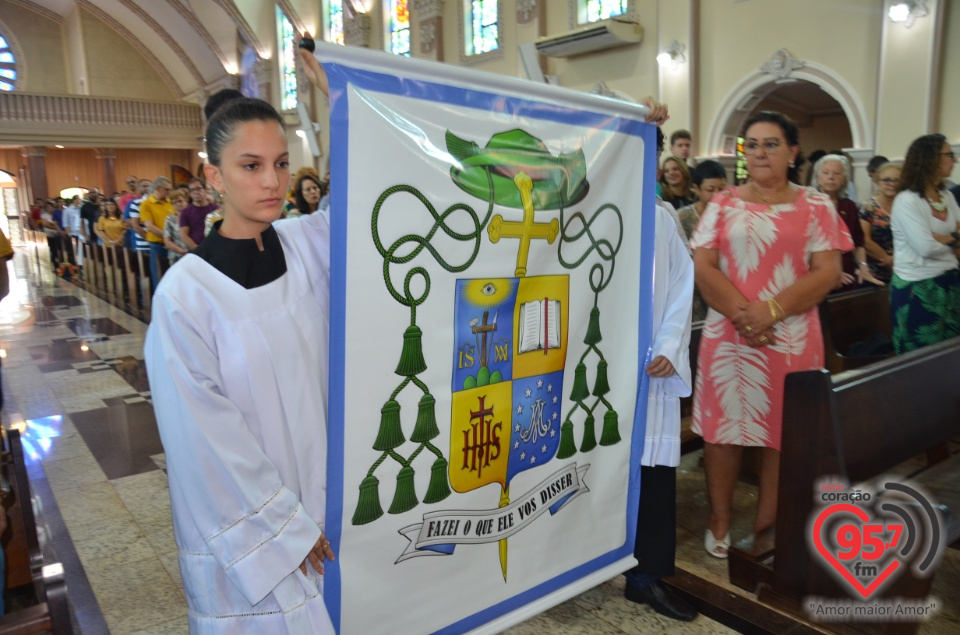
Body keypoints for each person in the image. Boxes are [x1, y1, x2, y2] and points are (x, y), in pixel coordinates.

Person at [145, 97, 336, 633]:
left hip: (325, 498)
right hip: (256, 530)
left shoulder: (305, 245)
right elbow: (203, 438)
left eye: (280, 163)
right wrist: (282, 531)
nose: (272, 180)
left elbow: (368, 208)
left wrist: (338, 100)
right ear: (215, 177)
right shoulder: (187, 295)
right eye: (250, 166)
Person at [689, 111, 852, 557]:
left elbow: (828, 272)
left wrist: (771, 312)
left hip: (792, 336)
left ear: (793, 151)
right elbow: (703, 266)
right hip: (731, 334)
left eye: (771, 144)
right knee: (724, 432)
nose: (760, 152)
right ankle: (720, 515)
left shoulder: (817, 205)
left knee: (784, 433)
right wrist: (747, 315)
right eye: (752, 145)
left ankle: (767, 522)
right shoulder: (722, 203)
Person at [623, 119, 697, 623]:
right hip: (595, 375)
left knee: (650, 473)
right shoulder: (582, 215)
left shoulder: (660, 218)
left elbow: (679, 286)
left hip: (648, 368)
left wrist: (670, 343)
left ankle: (645, 576)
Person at [889, 134, 960, 354]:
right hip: (917, 286)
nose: (955, 160)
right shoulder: (907, 200)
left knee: (949, 354)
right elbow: (925, 248)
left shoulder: (946, 196)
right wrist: (954, 237)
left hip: (950, 282)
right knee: (920, 357)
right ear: (930, 159)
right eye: (949, 155)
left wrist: (944, 237)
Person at [812, 154, 882, 291]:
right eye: (826, 173)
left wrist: (863, 267)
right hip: (816, 273)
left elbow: (857, 241)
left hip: (847, 270)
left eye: (837, 173)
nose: (831, 177)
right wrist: (830, 271)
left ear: (844, 179)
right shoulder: (809, 205)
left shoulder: (848, 206)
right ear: (817, 178)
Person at [676, 161, 728, 323]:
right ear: (696, 189)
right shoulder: (683, 218)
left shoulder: (731, 216)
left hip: (725, 290)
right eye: (711, 190)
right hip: (694, 295)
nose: (717, 195)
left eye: (721, 189)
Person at [858, 162, 901, 283]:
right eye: (886, 180)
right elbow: (865, 240)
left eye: (896, 180)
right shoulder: (868, 207)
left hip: (906, 271)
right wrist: (888, 260)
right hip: (875, 274)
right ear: (877, 182)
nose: (891, 184)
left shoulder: (907, 207)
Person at [139, 177, 174, 291]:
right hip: (158, 245)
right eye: (167, 189)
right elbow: (149, 226)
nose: (169, 192)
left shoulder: (171, 202)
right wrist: (167, 238)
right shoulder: (146, 204)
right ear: (158, 188)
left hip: (174, 245)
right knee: (159, 277)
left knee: (173, 278)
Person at [179, 177, 218, 249]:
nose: (196, 192)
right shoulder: (185, 212)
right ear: (190, 193)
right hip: (196, 251)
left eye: (198, 188)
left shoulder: (216, 209)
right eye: (192, 190)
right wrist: (198, 250)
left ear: (205, 190)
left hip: (215, 249)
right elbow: (184, 236)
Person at [164, 188, 190, 264]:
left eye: (180, 201)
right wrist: (181, 251)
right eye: (174, 203)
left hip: (193, 254)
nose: (178, 204)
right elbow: (167, 241)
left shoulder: (192, 216)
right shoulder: (169, 219)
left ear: (186, 201)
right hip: (176, 256)